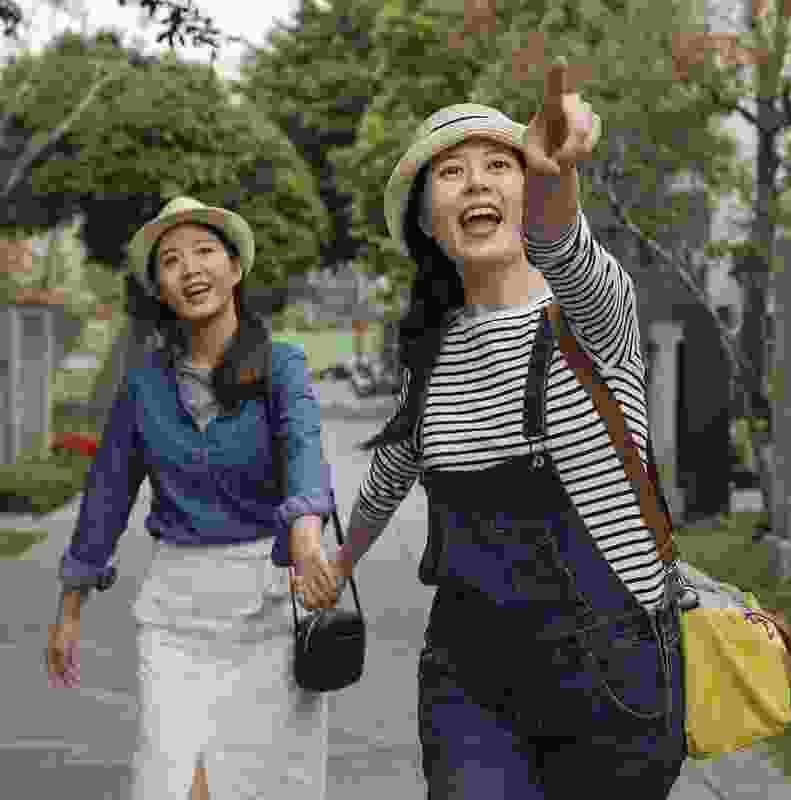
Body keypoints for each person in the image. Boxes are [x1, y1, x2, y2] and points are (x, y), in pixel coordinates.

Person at [331, 60, 688, 797]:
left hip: (612, 664)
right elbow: (390, 476)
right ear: (428, 221)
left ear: (527, 193)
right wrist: (335, 567)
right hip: (471, 673)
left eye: (500, 165)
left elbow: (568, 249)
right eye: (452, 174)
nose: (478, 183)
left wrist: (555, 180)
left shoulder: (595, 319)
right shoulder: (429, 352)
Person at [45, 196, 341, 800]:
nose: (191, 268)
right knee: (176, 783)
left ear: (235, 268)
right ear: (159, 285)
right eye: (172, 260)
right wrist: (70, 609)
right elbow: (106, 496)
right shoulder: (143, 387)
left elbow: (304, 443)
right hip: (175, 616)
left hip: (270, 609)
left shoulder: (281, 364)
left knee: (260, 785)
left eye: (205, 251)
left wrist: (307, 530)